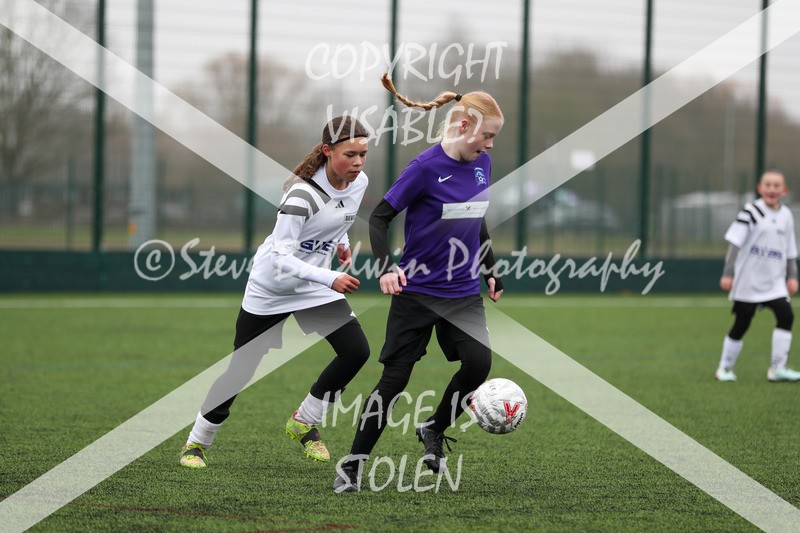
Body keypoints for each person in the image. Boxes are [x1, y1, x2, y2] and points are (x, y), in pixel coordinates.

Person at [333, 74, 505, 492]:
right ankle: (352, 465)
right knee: (395, 381)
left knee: (478, 365)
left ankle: (433, 428)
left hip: (462, 293)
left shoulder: (481, 163)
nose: (490, 145)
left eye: (494, 137)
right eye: (487, 136)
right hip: (417, 293)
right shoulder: (424, 168)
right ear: (463, 126)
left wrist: (490, 268)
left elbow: (475, 216)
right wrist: (387, 268)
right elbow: (380, 218)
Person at [180, 116, 371, 468]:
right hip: (272, 287)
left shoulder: (359, 182)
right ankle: (196, 443)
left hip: (313, 286)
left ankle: (304, 422)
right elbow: (281, 257)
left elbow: (340, 215)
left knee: (356, 350)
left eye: (363, 154)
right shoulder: (302, 194)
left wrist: (342, 242)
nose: (358, 162)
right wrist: (330, 277)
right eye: (350, 154)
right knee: (242, 369)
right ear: (327, 151)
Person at [716, 169, 800, 383]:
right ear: (760, 188)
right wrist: (728, 273)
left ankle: (777, 369)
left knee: (786, 315)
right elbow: (735, 243)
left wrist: (792, 276)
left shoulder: (786, 215)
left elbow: (790, 249)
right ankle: (724, 368)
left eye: (776, 186)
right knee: (742, 322)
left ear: (784, 190)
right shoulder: (751, 211)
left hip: (774, 282)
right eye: (767, 185)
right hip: (748, 280)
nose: (772, 189)